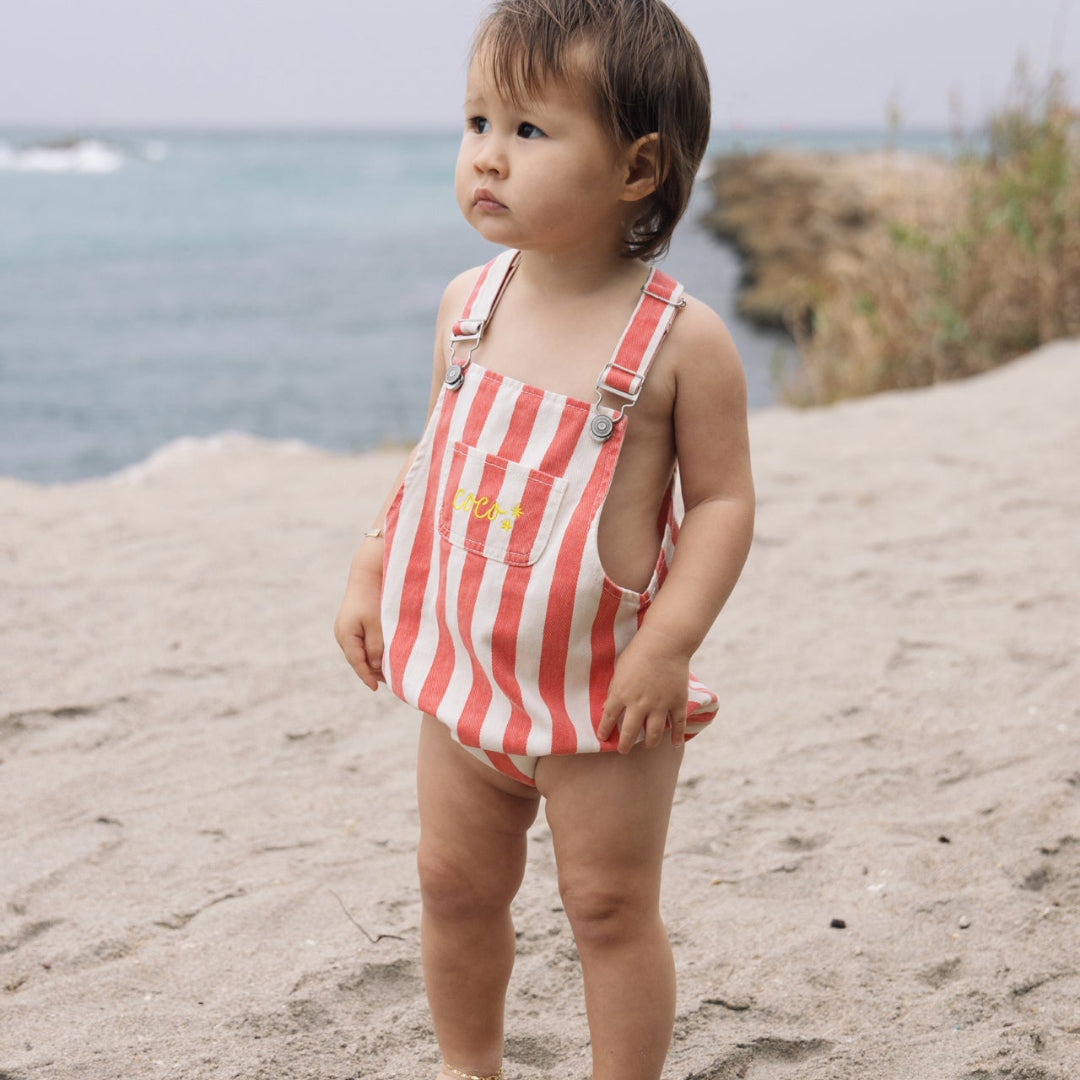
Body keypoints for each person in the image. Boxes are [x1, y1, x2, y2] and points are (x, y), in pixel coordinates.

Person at [334, 1, 754, 1076]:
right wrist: (377, 560)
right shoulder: (468, 306)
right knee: (453, 884)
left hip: (603, 692)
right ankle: (469, 1065)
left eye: (529, 131)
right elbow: (433, 457)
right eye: (476, 122)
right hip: (468, 672)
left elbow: (721, 506)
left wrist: (668, 645)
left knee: (607, 908)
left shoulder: (680, 341)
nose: (487, 156)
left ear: (636, 169)